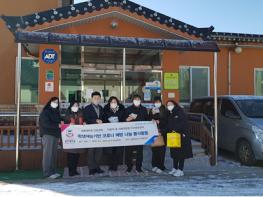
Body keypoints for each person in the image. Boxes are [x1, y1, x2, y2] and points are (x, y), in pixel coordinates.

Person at [166, 100, 193, 177]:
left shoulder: (180, 112)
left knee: (181, 153)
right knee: (174, 152)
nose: (169, 106)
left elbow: (183, 123)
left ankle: (180, 170)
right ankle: (174, 168)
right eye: (167, 105)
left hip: (181, 135)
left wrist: (175, 129)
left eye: (170, 104)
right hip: (173, 136)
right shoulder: (170, 113)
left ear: (174, 104)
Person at [125, 94, 149, 173]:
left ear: (140, 100)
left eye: (138, 99)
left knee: (139, 151)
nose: (137, 101)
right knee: (129, 151)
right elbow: (124, 120)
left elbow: (147, 120)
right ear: (132, 100)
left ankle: (139, 167)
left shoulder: (144, 109)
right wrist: (127, 119)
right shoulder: (128, 109)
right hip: (130, 133)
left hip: (140, 133)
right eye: (135, 99)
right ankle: (129, 167)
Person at [39, 97, 62, 179]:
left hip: (55, 135)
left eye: (57, 102)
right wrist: (57, 125)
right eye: (54, 102)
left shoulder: (56, 112)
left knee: (53, 154)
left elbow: (59, 121)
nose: (56, 103)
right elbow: (45, 124)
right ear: (50, 102)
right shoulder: (46, 112)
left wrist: (61, 122)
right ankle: (47, 173)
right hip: (47, 134)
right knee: (48, 154)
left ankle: (53, 171)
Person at [82, 91, 104, 175]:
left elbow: (104, 119)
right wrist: (95, 121)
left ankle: (97, 167)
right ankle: (91, 168)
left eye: (98, 98)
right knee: (91, 150)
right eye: (95, 98)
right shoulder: (87, 108)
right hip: (91, 133)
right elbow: (86, 119)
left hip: (100, 133)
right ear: (91, 99)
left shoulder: (101, 108)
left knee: (99, 150)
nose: (97, 100)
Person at [103, 96, 126, 171]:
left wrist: (119, 121)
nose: (113, 103)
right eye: (112, 102)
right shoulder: (106, 109)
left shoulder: (122, 109)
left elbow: (124, 119)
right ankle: (110, 165)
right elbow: (103, 119)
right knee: (110, 149)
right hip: (109, 131)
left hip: (119, 131)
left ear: (117, 103)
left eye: (115, 102)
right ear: (109, 103)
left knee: (117, 150)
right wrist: (109, 121)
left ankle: (115, 165)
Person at [64, 100, 85, 177]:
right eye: (74, 105)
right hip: (70, 137)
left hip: (78, 137)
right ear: (71, 106)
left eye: (77, 105)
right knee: (71, 155)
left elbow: (83, 120)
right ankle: (71, 171)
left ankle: (75, 170)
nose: (75, 107)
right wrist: (69, 124)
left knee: (77, 155)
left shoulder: (80, 112)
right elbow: (64, 123)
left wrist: (84, 123)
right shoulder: (68, 113)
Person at [149, 96, 167, 174]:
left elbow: (167, 121)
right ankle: (154, 165)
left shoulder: (165, 110)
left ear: (161, 102)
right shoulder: (152, 110)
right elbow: (148, 120)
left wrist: (159, 121)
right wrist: (151, 117)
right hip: (154, 132)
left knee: (162, 150)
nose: (157, 103)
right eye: (155, 102)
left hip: (162, 132)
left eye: (158, 102)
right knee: (154, 149)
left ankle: (161, 166)